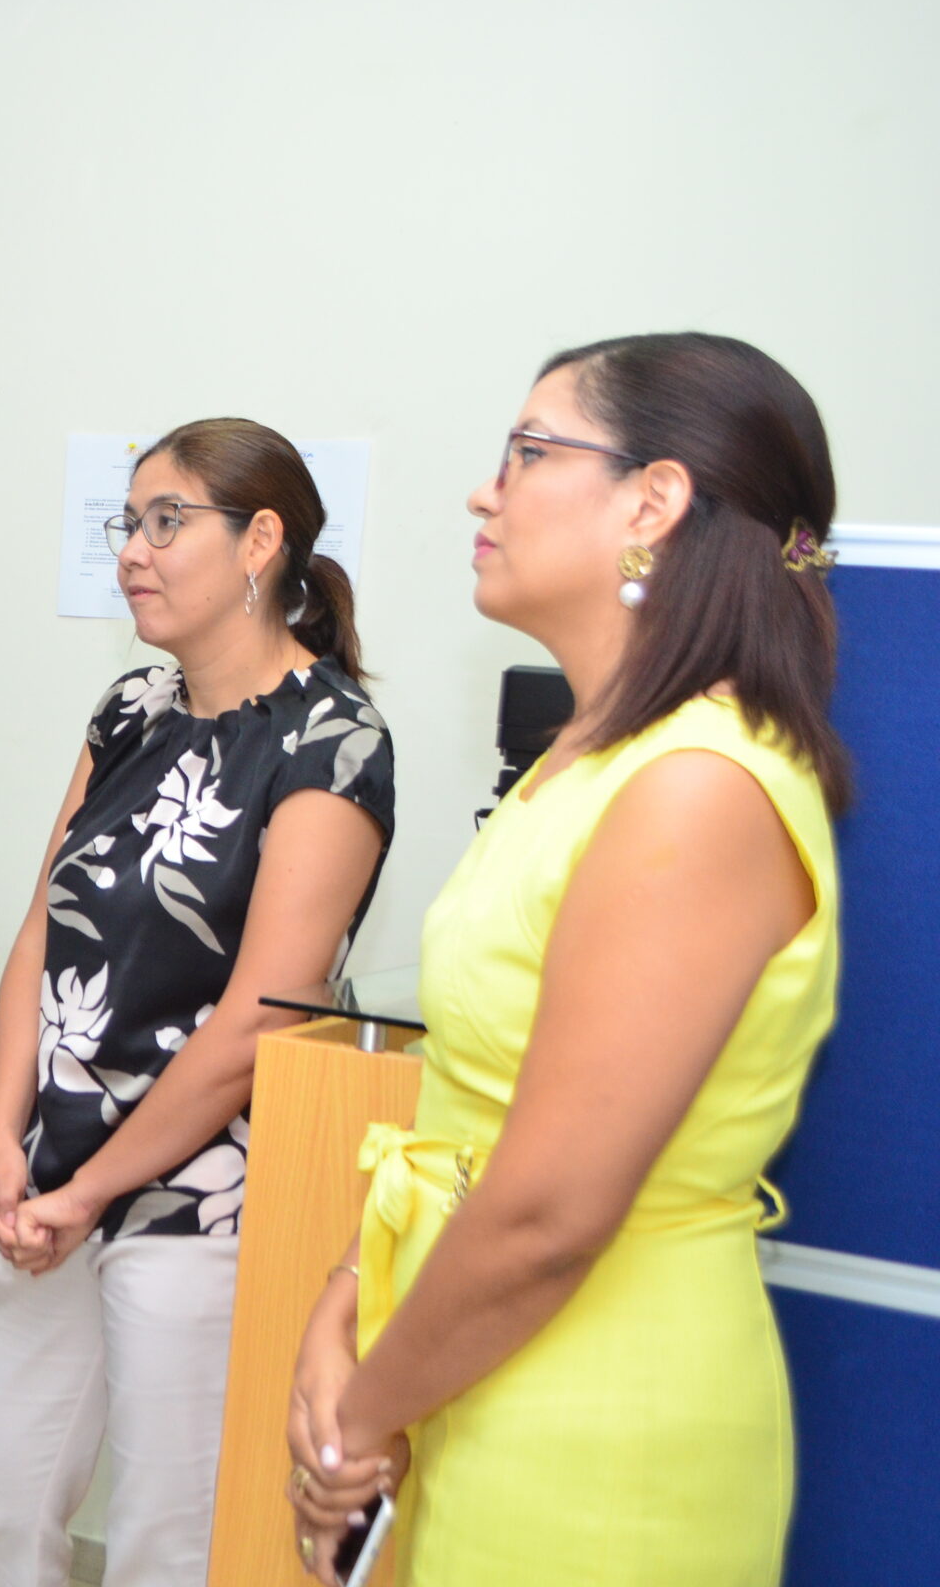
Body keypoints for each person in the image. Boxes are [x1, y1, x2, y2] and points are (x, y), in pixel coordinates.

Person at [285, 335, 847, 1587]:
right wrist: (348, 1296)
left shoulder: (696, 786)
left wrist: (358, 1421)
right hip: (463, 1362)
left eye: (526, 453)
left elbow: (548, 1213)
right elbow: (470, 1109)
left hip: (597, 1421)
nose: (482, 492)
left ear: (653, 501)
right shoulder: (587, 757)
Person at [0, 419, 395, 1587]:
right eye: (127, 523)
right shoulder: (130, 708)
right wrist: (2, 1136)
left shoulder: (331, 739)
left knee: (163, 1542)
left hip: (198, 1201)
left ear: (259, 541)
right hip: (46, 1182)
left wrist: (92, 1188)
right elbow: (41, 929)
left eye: (165, 522)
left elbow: (261, 1016)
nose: (131, 552)